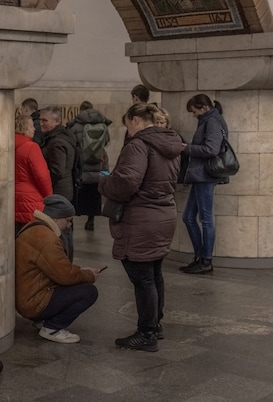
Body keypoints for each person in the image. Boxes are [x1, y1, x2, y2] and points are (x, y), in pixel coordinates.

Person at [98, 103, 182, 352]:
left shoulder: (138, 145)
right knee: (153, 274)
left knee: (143, 277)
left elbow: (125, 183)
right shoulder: (171, 144)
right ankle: (155, 325)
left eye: (127, 123)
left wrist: (104, 182)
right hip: (163, 214)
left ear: (135, 120)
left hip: (142, 218)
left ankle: (147, 333)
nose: (128, 129)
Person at [15, 194, 101, 344]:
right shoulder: (47, 239)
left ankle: (43, 320)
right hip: (35, 303)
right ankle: (52, 328)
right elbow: (65, 275)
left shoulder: (34, 227)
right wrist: (89, 275)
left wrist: (81, 270)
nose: (69, 226)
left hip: (27, 297)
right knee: (89, 292)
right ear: (56, 218)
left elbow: (57, 268)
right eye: (68, 221)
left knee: (76, 283)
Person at [179, 94, 228, 275]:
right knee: (188, 217)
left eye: (194, 111)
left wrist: (187, 148)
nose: (193, 115)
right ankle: (200, 257)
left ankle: (206, 260)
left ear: (203, 108)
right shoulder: (208, 120)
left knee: (206, 219)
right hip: (200, 176)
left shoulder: (213, 121)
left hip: (205, 176)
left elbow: (211, 149)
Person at [38, 106, 80, 261]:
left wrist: (40, 179)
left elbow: (57, 171)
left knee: (62, 231)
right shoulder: (63, 136)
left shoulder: (56, 142)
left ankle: (63, 263)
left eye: (45, 120)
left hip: (59, 192)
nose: (41, 123)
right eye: (40, 120)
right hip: (65, 190)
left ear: (57, 121)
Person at [67, 101, 112, 231]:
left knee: (78, 195)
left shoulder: (75, 126)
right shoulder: (103, 125)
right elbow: (107, 142)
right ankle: (90, 221)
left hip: (81, 166)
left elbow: (71, 144)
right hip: (98, 164)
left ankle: (72, 222)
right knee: (94, 194)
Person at [14, 108, 53, 234]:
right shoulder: (31, 147)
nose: (34, 129)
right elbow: (42, 176)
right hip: (31, 201)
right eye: (31, 126)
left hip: (13, 199)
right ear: (24, 128)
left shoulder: (7, 146)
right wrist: (49, 197)